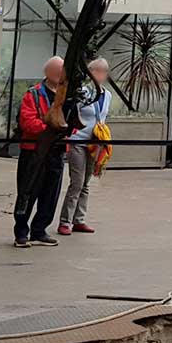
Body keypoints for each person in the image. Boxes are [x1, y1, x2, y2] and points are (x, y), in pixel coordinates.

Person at [13, 56, 68, 248]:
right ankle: (21, 232)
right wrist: (51, 127)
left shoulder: (67, 95)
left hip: (57, 151)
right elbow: (27, 122)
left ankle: (39, 230)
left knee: (50, 193)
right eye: (60, 70)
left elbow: (72, 122)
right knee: (27, 191)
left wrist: (65, 130)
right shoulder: (33, 94)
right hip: (34, 151)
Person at [57, 57, 111, 235]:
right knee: (77, 182)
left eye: (104, 71)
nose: (101, 75)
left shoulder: (107, 95)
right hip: (78, 141)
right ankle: (65, 221)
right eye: (98, 71)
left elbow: (102, 117)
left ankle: (79, 219)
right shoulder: (83, 93)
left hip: (95, 143)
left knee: (86, 183)